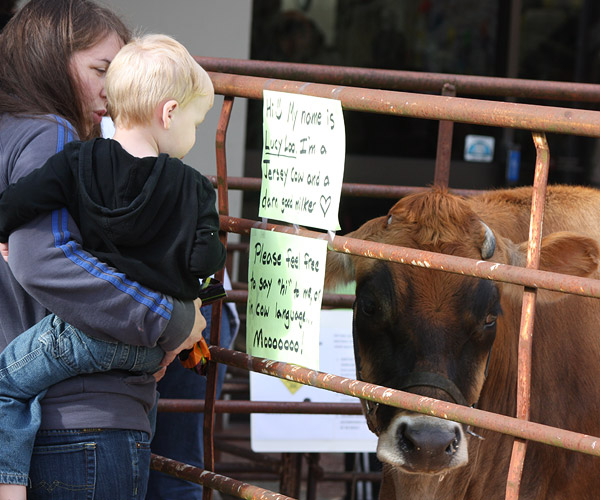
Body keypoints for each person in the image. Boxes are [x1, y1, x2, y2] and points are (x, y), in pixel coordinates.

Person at [0, 31, 227, 497]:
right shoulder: (195, 188)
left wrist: (4, 232)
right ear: (169, 113)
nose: (194, 132)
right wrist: (190, 330)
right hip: (148, 350)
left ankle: (10, 488)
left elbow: (24, 199)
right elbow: (205, 263)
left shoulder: (75, 161)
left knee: (5, 385)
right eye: (197, 121)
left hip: (83, 336)